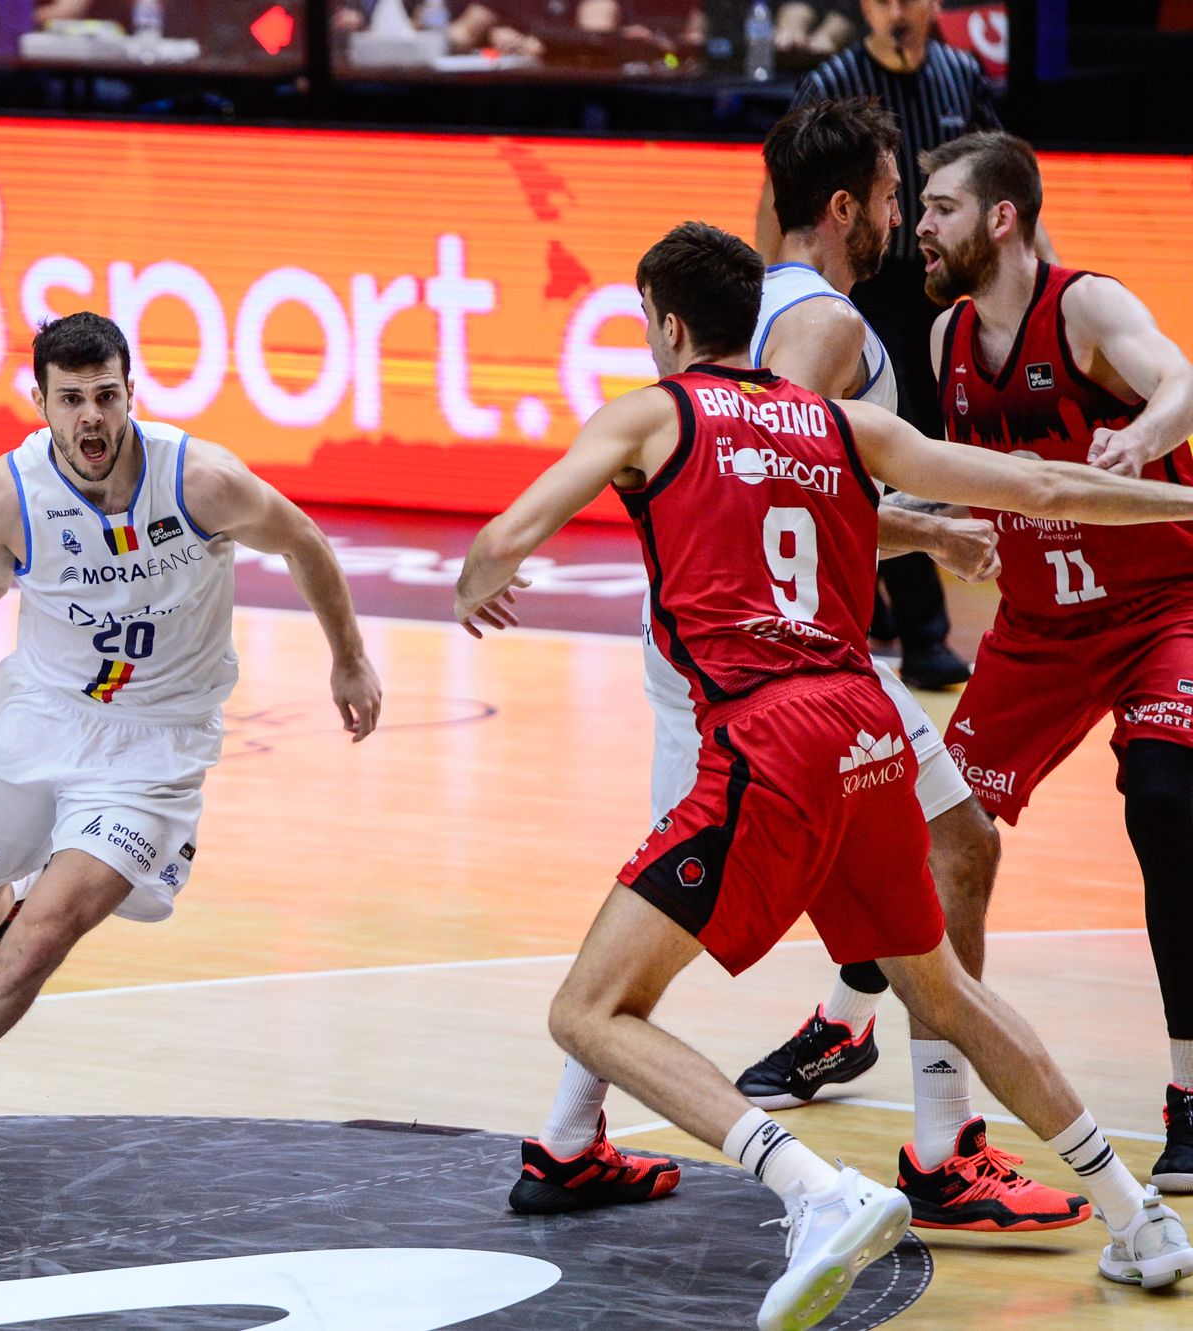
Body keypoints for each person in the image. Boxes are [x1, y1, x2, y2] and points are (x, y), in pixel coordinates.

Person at [456, 221, 1193, 1325]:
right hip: (868, 734)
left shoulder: (652, 413)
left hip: (768, 738)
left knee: (588, 1008)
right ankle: (1136, 1215)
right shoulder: (844, 426)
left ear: (664, 322)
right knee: (944, 990)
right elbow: (1036, 490)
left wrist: (476, 576)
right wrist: (1183, 502)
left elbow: (511, 529)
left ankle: (812, 1187)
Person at [620, 97, 1083, 1231]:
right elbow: (759, 491)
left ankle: (933, 1137)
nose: (900, 217)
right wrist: (929, 526)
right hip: (749, 659)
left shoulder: (779, 300)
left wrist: (918, 527)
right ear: (843, 209)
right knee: (650, 925)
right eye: (889, 195)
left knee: (954, 839)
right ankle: (931, 1146)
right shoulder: (821, 323)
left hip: (775, 653)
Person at [0, 312, 381, 1201]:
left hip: (153, 747)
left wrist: (349, 656)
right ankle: (20, 880)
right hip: (37, 720)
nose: (90, 418)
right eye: (71, 400)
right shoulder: (6, 493)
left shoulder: (202, 480)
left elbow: (305, 542)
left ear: (132, 393)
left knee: (38, 940)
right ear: (41, 403)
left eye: (106, 396)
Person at [919, 130, 1193, 1194]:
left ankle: (1187, 1088)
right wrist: (946, 524)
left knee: (1166, 798)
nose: (921, 228)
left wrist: (1142, 434)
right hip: (1033, 631)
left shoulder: (1081, 308)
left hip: (1157, 606)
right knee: (943, 835)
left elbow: (1176, 377)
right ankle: (932, 1114)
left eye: (939, 208)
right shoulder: (944, 335)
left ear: (1000, 218)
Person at [756, 0, 1048, 689]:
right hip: (872, 286)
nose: (894, 9)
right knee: (893, 444)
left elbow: (1005, 181)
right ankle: (921, 634)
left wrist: (1042, 280)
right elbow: (781, 189)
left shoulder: (959, 74)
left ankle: (877, 591)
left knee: (899, 447)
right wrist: (769, 281)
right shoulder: (834, 80)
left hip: (940, 284)